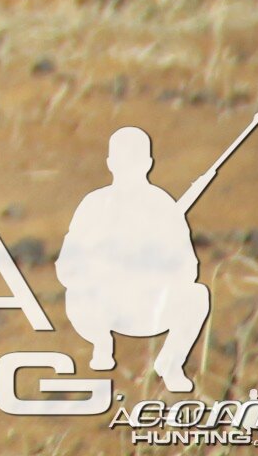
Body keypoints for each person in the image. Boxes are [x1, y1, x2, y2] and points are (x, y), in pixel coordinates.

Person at [59, 124, 217, 392]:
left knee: (198, 295)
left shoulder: (163, 206)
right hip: (103, 306)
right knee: (78, 293)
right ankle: (101, 344)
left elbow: (188, 269)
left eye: (133, 160)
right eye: (123, 160)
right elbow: (67, 267)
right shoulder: (94, 205)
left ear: (147, 163)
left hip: (149, 306)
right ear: (110, 163)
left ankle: (170, 364)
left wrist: (154, 265)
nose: (127, 167)